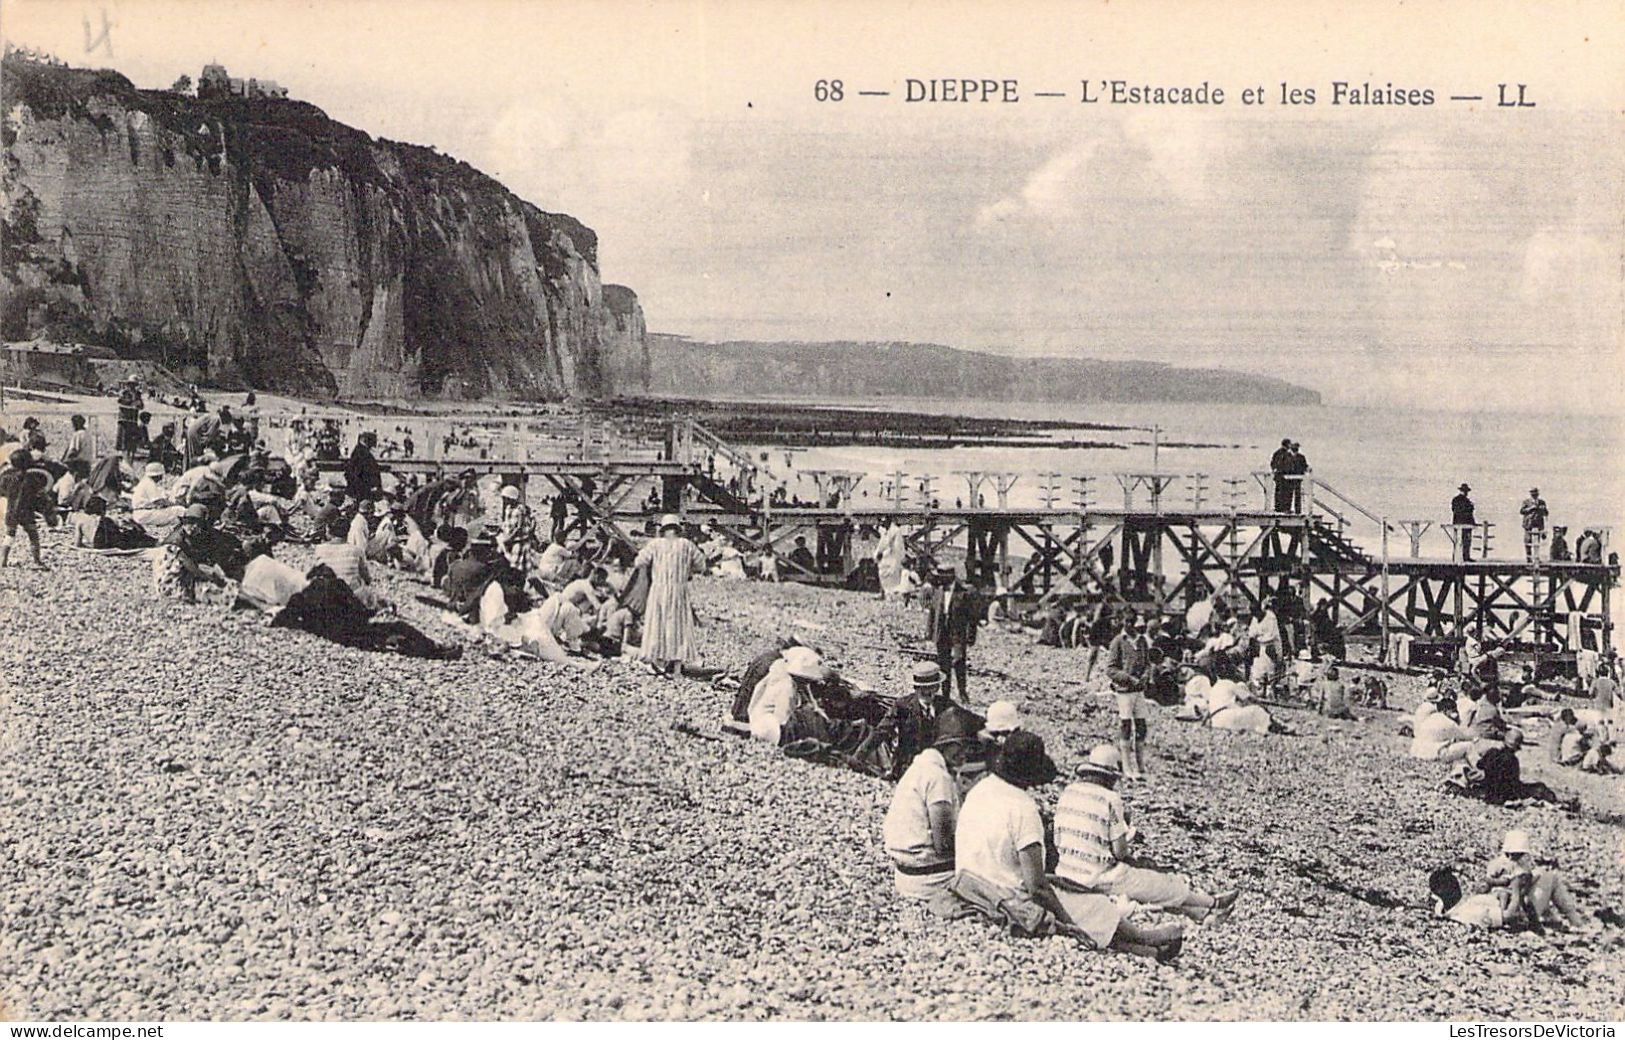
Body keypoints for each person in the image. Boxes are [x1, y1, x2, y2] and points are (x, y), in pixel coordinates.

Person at [952, 732, 1185, 961]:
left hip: (973, 882)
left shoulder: (981, 789)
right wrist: (1068, 923)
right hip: (1006, 892)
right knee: (1093, 905)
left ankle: (1148, 951)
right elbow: (1036, 887)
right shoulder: (1022, 808)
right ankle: (1141, 938)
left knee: (1073, 893)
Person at [1054, 744, 1240, 924]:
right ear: (1110, 776)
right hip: (1099, 877)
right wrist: (1127, 832)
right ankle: (1213, 903)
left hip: (1067, 872)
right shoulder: (1110, 800)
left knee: (1150, 894)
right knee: (1163, 886)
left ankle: (1203, 915)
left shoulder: (1067, 793)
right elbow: (1120, 852)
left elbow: (1058, 839)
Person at [884, 713, 978, 900]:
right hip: (928, 879)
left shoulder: (921, 766)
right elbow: (943, 844)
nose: (965, 754)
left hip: (906, 872)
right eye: (961, 746)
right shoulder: (937, 777)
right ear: (947, 745)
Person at [634, 514, 704, 677]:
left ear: (663, 529)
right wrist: (687, 569)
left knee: (658, 623)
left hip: (659, 589)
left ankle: (659, 662)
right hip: (679, 590)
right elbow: (701, 564)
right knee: (679, 626)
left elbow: (639, 561)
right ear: (678, 529)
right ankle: (677, 667)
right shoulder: (687, 545)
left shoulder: (656, 544)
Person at [1485, 830, 1593, 932]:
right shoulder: (1519, 865)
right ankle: (1575, 921)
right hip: (1518, 913)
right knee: (1551, 877)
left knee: (1541, 875)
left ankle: (1551, 916)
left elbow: (1488, 885)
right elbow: (1523, 887)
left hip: (1502, 909)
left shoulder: (1496, 864)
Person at [1104, 613, 1153, 777]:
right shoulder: (1118, 641)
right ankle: (1126, 766)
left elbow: (1147, 663)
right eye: (1127, 622)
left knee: (1141, 725)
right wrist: (1129, 679)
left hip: (1138, 690)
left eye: (1132, 622)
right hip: (1124, 690)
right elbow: (1110, 669)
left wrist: (1145, 676)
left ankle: (1140, 765)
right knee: (1125, 725)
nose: (1130, 625)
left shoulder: (1142, 641)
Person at [892, 661, 960, 777]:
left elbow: (967, 722)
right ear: (915, 687)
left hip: (940, 766)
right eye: (922, 688)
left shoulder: (947, 705)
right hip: (909, 767)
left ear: (938, 687)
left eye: (931, 687)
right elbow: (881, 731)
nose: (927, 692)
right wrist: (859, 756)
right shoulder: (902, 706)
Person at [924, 564, 980, 700]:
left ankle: (962, 691)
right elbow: (932, 613)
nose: (938, 580)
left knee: (959, 661)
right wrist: (929, 632)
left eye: (941, 577)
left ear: (950, 577)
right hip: (941, 632)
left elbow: (972, 616)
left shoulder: (964, 593)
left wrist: (971, 635)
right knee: (943, 663)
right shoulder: (938, 591)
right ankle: (945, 693)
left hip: (957, 633)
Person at [151, 504, 229, 601]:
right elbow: (194, 569)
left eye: (199, 524)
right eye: (191, 522)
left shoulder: (179, 535)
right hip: (173, 587)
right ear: (184, 522)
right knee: (220, 592)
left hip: (170, 583)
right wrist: (213, 576)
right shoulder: (175, 542)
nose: (194, 527)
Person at [0, 449, 50, 570]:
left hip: (11, 511)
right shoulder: (32, 480)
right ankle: (37, 560)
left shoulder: (7, 479)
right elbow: (40, 494)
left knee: (9, 535)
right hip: (27, 512)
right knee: (33, 536)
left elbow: (2, 491)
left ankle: (3, 559)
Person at [1410, 697, 1474, 761]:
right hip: (1434, 754)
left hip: (1416, 751)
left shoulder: (1430, 718)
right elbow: (1465, 736)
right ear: (1445, 710)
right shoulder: (1449, 723)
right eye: (1454, 710)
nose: (1456, 713)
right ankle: (1477, 766)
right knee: (1469, 745)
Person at [495, 485, 541, 573]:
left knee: (518, 566)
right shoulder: (508, 509)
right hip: (508, 539)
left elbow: (519, 527)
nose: (504, 500)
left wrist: (510, 538)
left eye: (506, 498)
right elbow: (506, 523)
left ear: (511, 498)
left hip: (518, 540)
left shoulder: (520, 510)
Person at [130, 461, 184, 527]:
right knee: (178, 510)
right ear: (157, 475)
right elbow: (159, 501)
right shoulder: (149, 484)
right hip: (144, 514)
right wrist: (174, 504)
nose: (161, 477)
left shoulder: (146, 481)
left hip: (142, 513)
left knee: (174, 514)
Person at [345, 431, 383, 503]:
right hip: (363, 492)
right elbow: (358, 474)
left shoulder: (359, 451)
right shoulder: (363, 454)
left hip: (359, 491)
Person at [116, 376, 144, 459]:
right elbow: (120, 402)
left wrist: (137, 404)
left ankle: (130, 458)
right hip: (124, 420)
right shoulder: (124, 392)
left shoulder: (138, 394)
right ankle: (125, 459)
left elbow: (141, 405)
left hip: (133, 420)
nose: (132, 386)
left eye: (134, 384)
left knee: (132, 443)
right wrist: (131, 403)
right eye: (131, 384)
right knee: (124, 443)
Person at [1520, 487, 1548, 561]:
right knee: (1528, 540)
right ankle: (1528, 557)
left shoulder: (1542, 502)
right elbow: (1522, 511)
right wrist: (1531, 508)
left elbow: (1546, 513)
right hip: (1529, 524)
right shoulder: (1526, 502)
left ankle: (1536, 557)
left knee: (1537, 542)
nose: (1534, 494)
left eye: (1535, 493)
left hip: (1538, 524)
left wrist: (1543, 509)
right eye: (1532, 493)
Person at [1451, 483, 1476, 561]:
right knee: (1466, 541)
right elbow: (1468, 512)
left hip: (1457, 523)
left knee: (1457, 541)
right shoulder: (1466, 501)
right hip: (1465, 524)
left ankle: (1455, 557)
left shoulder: (1455, 500)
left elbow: (1454, 510)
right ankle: (1465, 557)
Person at [1269, 438, 1293, 513]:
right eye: (1289, 444)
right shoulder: (1287, 454)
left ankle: (1278, 507)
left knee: (1279, 492)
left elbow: (1273, 463)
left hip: (1279, 476)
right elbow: (1289, 465)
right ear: (1287, 444)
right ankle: (1285, 508)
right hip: (1284, 476)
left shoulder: (1277, 453)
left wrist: (1274, 470)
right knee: (1286, 492)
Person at [1284, 441, 1309, 512]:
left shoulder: (1301, 457)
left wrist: (1307, 469)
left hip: (1298, 478)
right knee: (1288, 494)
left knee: (1298, 495)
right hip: (1288, 479)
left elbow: (1304, 466)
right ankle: (1287, 509)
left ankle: (1298, 509)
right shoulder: (1286, 456)